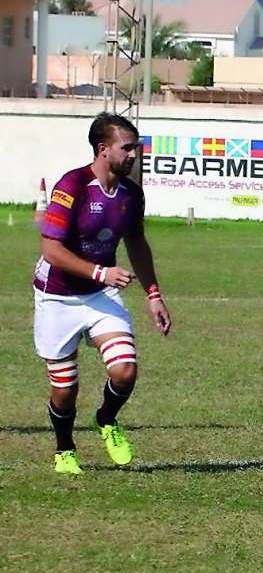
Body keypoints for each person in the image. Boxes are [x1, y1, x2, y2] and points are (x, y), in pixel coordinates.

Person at [34, 112, 173, 476]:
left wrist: (153, 294)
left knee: (125, 371)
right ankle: (65, 449)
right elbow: (51, 249)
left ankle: (106, 420)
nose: (134, 155)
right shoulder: (72, 186)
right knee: (65, 391)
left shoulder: (131, 194)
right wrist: (102, 272)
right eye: (127, 148)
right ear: (103, 149)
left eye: (136, 148)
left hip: (99, 295)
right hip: (57, 296)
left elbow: (137, 243)